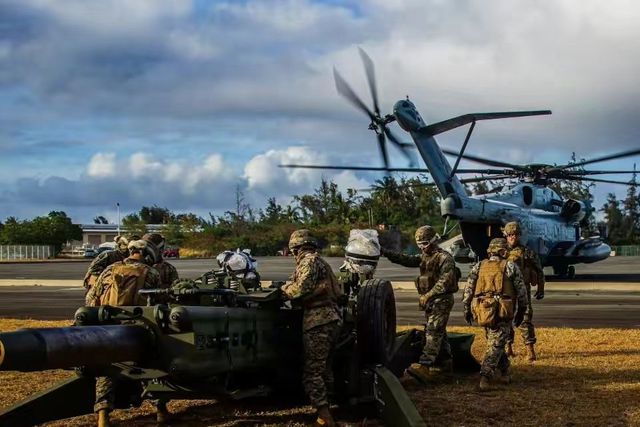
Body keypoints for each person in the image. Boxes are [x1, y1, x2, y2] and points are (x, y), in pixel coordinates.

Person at [85, 239, 161, 427]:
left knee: (107, 369)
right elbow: (160, 303)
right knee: (153, 366)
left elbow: (91, 299)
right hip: (138, 330)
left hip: (108, 326)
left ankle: (103, 416)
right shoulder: (151, 273)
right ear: (147, 255)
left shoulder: (109, 269)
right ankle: (161, 410)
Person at [280, 229, 343, 427]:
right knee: (324, 369)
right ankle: (330, 408)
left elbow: (300, 290)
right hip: (331, 319)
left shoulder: (309, 262)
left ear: (296, 248)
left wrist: (283, 288)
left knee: (312, 372)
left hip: (318, 321)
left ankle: (324, 417)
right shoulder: (320, 262)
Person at [381, 225, 459, 382]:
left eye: (425, 243)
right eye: (419, 244)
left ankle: (425, 365)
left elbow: (445, 281)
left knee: (432, 331)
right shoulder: (424, 257)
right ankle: (445, 365)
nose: (422, 247)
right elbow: (406, 259)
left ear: (433, 241)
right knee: (439, 332)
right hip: (431, 300)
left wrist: (428, 295)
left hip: (441, 299)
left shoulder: (445, 258)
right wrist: (385, 252)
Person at [462, 238, 528, 391]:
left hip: (482, 310)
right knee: (496, 344)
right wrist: (522, 310)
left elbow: (468, 288)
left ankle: (504, 371)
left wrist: (466, 307)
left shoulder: (479, 266)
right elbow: (521, 291)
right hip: (502, 311)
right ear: (503, 251)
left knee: (496, 342)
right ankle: (486, 376)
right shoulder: (510, 266)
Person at [503, 221, 545, 361]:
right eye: (510, 235)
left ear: (519, 235)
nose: (512, 237)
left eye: (515, 234)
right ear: (505, 235)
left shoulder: (527, 252)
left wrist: (541, 288)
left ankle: (530, 349)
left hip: (523, 290)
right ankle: (508, 347)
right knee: (506, 318)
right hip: (506, 291)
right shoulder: (500, 252)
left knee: (525, 319)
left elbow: (539, 271)